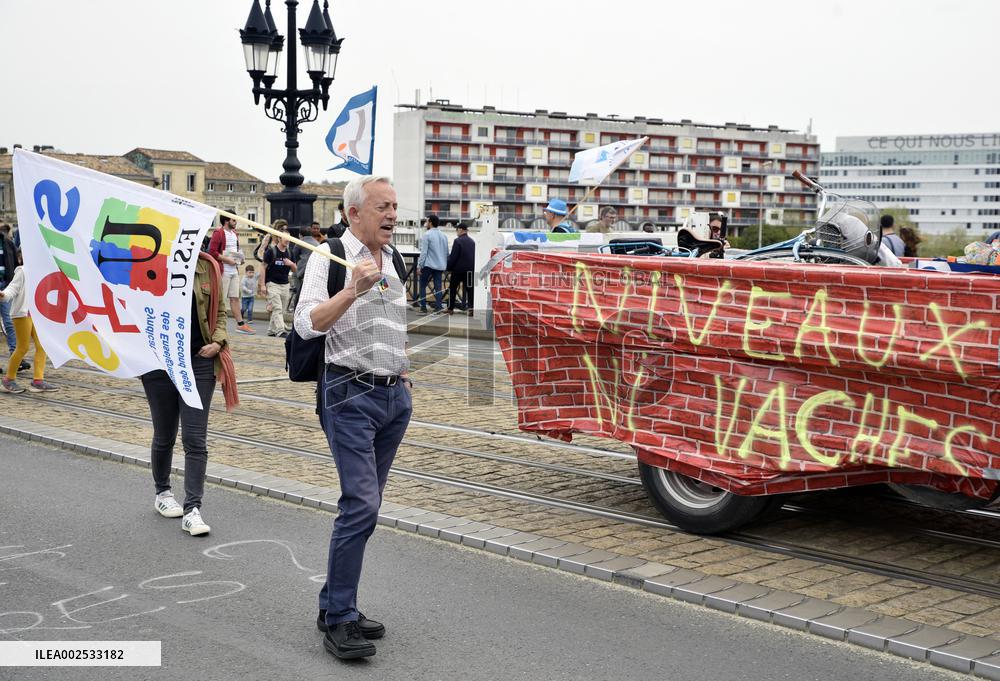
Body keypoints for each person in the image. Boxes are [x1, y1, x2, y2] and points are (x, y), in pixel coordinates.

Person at [293, 175, 412, 660]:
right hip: (348, 393)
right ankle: (339, 619)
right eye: (383, 206)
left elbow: (397, 323)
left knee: (367, 508)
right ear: (354, 213)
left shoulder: (397, 259)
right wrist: (352, 291)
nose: (393, 214)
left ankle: (335, 604)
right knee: (360, 504)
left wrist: (404, 374)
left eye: (395, 206)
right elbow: (305, 323)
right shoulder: (331, 257)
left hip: (392, 398)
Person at [143, 252, 236, 536]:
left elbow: (219, 312)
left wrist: (218, 342)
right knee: (165, 434)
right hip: (159, 360)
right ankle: (163, 493)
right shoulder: (147, 259)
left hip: (198, 359)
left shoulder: (207, 266)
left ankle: (193, 508)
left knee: (195, 438)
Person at [0, 250, 56, 394]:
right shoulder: (23, 271)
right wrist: (4, 295)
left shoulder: (43, 272)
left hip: (37, 315)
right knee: (23, 347)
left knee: (42, 346)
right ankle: (8, 379)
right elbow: (13, 288)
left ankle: (38, 380)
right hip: (22, 314)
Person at [208, 215, 254, 334]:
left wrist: (241, 259)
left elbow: (236, 251)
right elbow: (212, 252)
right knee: (220, 299)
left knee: (235, 298)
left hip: (234, 270)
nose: (236, 222)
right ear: (226, 220)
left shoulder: (235, 234)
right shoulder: (218, 233)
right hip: (223, 271)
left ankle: (240, 324)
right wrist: (227, 260)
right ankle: (214, 325)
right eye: (233, 220)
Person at [259, 225, 296, 337]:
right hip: (272, 284)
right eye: (285, 238)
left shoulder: (290, 252)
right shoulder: (271, 251)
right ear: (279, 238)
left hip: (285, 284)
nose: (288, 240)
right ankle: (280, 330)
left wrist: (291, 264)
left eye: (289, 238)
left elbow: (295, 269)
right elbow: (262, 267)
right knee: (277, 308)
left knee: (281, 310)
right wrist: (262, 285)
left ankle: (271, 330)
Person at [416, 214, 448, 314]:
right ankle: (438, 307)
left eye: (427, 221)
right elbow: (446, 252)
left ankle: (423, 308)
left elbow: (424, 252)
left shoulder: (427, 235)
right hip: (440, 265)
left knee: (422, 286)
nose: (426, 223)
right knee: (438, 287)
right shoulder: (444, 236)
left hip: (428, 265)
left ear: (430, 223)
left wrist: (419, 266)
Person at [0, 227, 21, 365]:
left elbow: (14, 264)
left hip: (4, 288)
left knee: (9, 321)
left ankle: (15, 356)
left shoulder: (6, 242)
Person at [291, 221, 324, 310]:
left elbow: (294, 256)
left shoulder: (300, 242)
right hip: (314, 272)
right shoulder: (317, 243)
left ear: (300, 235)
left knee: (299, 293)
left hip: (302, 272)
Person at [446, 222, 476, 316]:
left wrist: (449, 267)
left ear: (461, 230)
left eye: (457, 229)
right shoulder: (472, 242)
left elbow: (453, 257)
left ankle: (450, 308)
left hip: (458, 270)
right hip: (470, 270)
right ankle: (472, 309)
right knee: (470, 290)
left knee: (453, 289)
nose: (456, 231)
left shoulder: (457, 241)